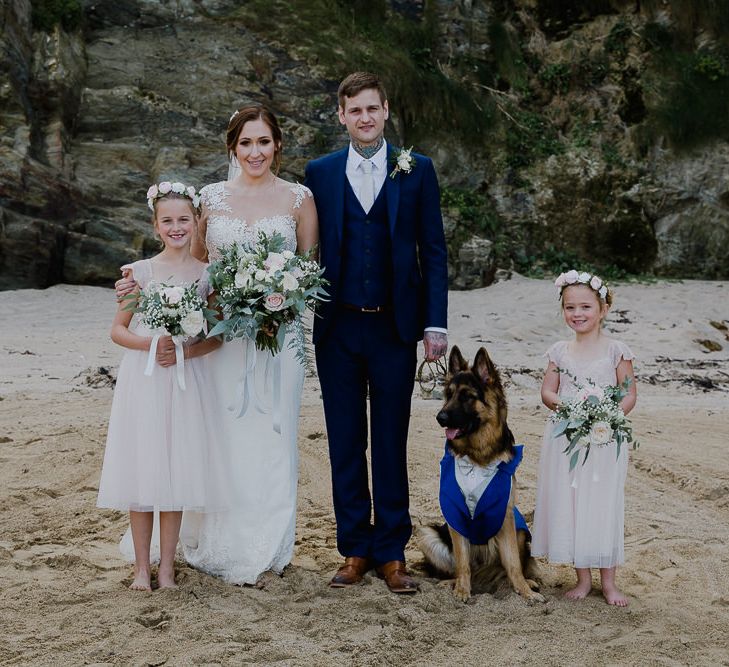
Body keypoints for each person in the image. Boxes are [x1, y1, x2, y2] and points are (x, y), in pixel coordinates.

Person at [117, 105, 318, 584]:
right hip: (222, 338)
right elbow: (193, 269)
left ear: (277, 146)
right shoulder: (211, 199)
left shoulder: (299, 199)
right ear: (232, 149)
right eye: (245, 143)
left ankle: (266, 544)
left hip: (278, 335)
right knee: (219, 435)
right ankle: (211, 539)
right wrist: (139, 283)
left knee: (273, 435)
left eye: (264, 142)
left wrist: (279, 306)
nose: (255, 152)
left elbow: (309, 271)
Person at [304, 72, 448, 593]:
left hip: (394, 327)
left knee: (390, 439)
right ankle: (354, 550)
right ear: (341, 116)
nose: (364, 118)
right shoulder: (318, 174)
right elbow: (304, 247)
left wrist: (435, 323)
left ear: (385, 110)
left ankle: (391, 552)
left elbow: (432, 250)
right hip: (337, 326)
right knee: (345, 440)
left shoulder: (418, 170)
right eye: (354, 110)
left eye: (372, 108)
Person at [98, 184, 225, 591]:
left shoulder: (207, 276)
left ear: (196, 224)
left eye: (184, 220)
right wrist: (154, 344)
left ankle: (167, 568)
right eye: (167, 221)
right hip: (146, 379)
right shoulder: (139, 272)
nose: (176, 227)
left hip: (186, 383)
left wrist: (185, 352)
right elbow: (118, 331)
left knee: (176, 471)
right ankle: (140, 567)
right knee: (144, 469)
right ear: (155, 226)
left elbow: (218, 336)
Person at [531, 270, 637, 606]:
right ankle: (582, 578)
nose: (577, 314)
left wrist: (607, 414)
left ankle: (609, 582)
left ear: (603, 309)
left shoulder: (616, 350)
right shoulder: (559, 351)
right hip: (567, 437)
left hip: (604, 438)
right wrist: (571, 406)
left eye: (586, 307)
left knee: (602, 503)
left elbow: (629, 393)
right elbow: (548, 392)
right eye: (570, 308)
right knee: (572, 502)